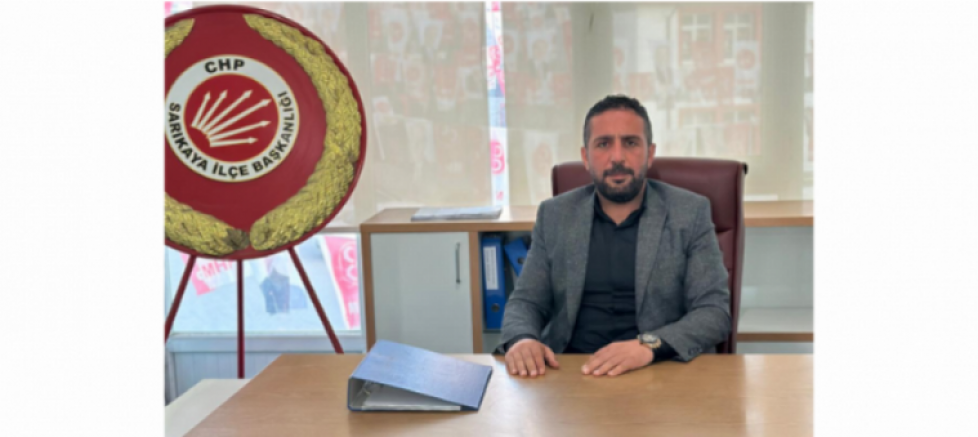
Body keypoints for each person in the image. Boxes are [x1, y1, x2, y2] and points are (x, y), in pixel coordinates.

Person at [496, 95, 731, 378]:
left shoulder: (689, 213)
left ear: (650, 154)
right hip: (570, 371)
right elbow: (527, 302)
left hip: (658, 369)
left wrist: (648, 346)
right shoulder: (555, 215)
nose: (617, 157)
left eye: (630, 143)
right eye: (603, 144)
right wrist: (522, 339)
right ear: (586, 157)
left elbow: (714, 312)